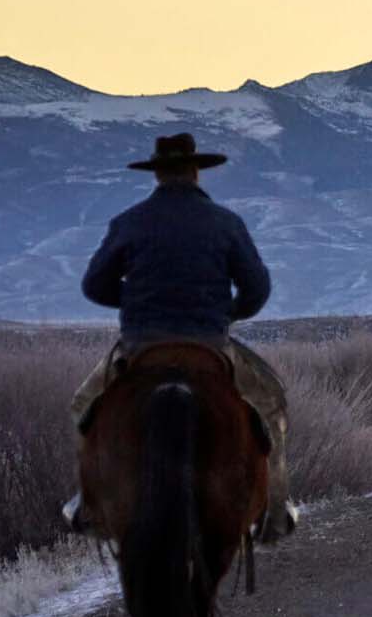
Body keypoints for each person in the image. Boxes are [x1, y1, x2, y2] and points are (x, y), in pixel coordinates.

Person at [66, 132, 297, 540]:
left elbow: (93, 286)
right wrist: (225, 311)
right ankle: (275, 513)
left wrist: (137, 300)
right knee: (271, 403)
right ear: (195, 172)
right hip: (208, 342)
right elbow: (257, 289)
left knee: (84, 405)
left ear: (157, 175)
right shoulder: (226, 223)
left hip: (141, 345)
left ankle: (89, 505)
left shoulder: (129, 222)